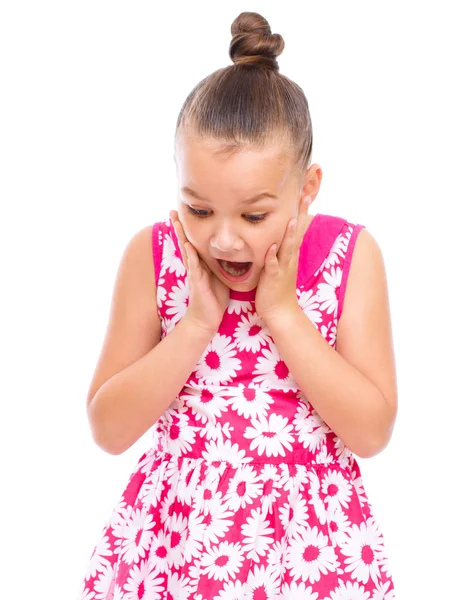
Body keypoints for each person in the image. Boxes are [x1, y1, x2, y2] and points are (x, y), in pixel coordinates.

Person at [78, 11, 397, 600]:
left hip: (310, 548)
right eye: (198, 209)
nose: (224, 239)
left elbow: (372, 430)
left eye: (254, 216)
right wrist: (198, 323)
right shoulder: (153, 257)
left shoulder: (350, 256)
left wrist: (282, 313)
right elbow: (109, 428)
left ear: (305, 190)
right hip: (178, 543)